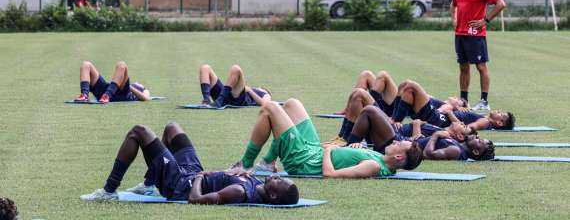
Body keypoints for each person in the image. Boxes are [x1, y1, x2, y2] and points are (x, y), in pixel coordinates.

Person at [81, 122, 299, 205]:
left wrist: (197, 179)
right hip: (193, 173)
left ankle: (109, 190)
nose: (277, 177)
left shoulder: (240, 192)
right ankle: (148, 185)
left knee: (139, 131)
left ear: (272, 195)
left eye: (278, 181)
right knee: (172, 128)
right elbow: (225, 177)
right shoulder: (252, 183)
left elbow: (196, 200)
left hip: (181, 185)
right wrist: (235, 170)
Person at [232, 99, 423, 178]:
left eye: (400, 144)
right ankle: (267, 163)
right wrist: (347, 146)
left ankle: (245, 164)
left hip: (305, 162)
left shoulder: (374, 166)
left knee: (270, 108)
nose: (396, 141)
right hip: (313, 152)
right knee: (292, 104)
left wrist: (329, 151)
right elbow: (347, 157)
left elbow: (330, 175)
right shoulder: (379, 157)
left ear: (399, 157)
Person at [450, 0, 507, 111]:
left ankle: (484, 101)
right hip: (460, 34)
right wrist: (453, 18)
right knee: (463, 67)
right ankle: (464, 100)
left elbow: (500, 4)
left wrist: (485, 20)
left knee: (481, 67)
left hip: (475, 34)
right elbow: (453, 4)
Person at [344, 107, 494, 161]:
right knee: (366, 106)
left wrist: (436, 136)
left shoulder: (456, 150)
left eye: (480, 141)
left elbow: (428, 154)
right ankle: (348, 144)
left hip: (398, 144)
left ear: (475, 151)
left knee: (370, 111)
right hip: (402, 140)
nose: (478, 137)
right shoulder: (457, 145)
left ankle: (349, 147)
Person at [393, 80, 515, 131]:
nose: (498, 111)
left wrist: (449, 112)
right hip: (439, 115)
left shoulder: (485, 122)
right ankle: (394, 119)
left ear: (499, 123)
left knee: (410, 86)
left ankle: (396, 120)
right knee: (405, 86)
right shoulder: (482, 117)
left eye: (501, 114)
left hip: (438, 118)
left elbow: (466, 130)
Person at [74, 61, 151, 103]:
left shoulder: (143, 89)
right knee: (86, 64)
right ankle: (84, 95)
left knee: (122, 64)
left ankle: (107, 95)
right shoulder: (115, 84)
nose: (137, 82)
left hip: (122, 94)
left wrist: (130, 87)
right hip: (107, 90)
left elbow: (146, 98)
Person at [199, 64, 271, 107]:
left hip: (236, 99)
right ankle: (206, 101)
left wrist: (250, 90)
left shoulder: (266, 94)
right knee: (205, 68)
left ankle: (219, 101)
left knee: (236, 68)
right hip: (226, 93)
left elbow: (264, 104)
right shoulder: (254, 89)